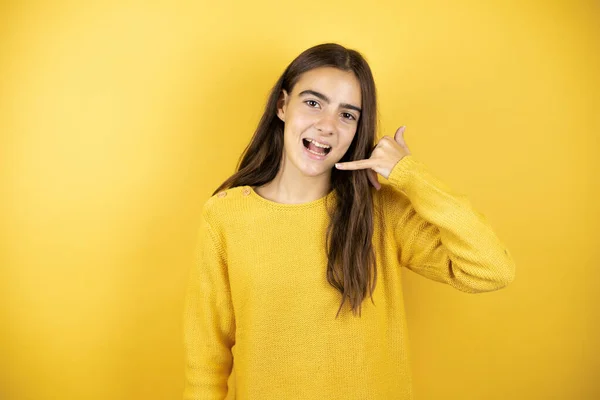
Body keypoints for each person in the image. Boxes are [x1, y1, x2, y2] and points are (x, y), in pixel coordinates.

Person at [183, 43, 515, 400]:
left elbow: (492, 269)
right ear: (282, 106)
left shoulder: (381, 212)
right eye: (313, 103)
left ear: (358, 129)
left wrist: (410, 175)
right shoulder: (225, 216)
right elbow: (207, 357)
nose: (326, 126)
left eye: (347, 115)